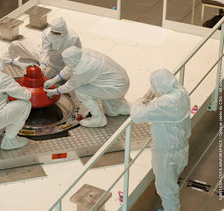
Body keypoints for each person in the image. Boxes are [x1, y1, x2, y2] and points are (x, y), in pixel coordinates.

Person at [130, 69, 191, 211]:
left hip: (167, 154)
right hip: (181, 148)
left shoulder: (166, 103)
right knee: (170, 182)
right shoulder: (181, 92)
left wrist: (140, 101)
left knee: (167, 190)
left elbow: (137, 116)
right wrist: (152, 91)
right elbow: (162, 86)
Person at [44, 46, 130, 128]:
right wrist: (54, 80)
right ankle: (135, 109)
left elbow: (70, 85)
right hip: (121, 81)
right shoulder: (82, 52)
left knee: (80, 90)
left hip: (115, 88)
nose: (65, 62)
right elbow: (70, 67)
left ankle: (98, 119)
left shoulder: (83, 68)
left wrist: (54, 91)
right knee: (112, 112)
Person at [3, 17, 81, 79]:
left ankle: (37, 65)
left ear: (64, 31)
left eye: (57, 33)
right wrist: (43, 64)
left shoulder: (73, 38)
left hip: (56, 65)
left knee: (41, 78)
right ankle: (5, 62)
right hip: (41, 54)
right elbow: (45, 51)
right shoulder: (47, 33)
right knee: (16, 44)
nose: (54, 35)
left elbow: (78, 56)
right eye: (53, 32)